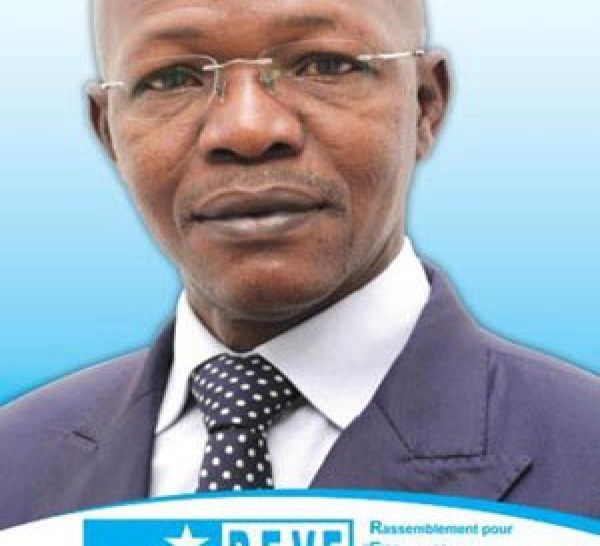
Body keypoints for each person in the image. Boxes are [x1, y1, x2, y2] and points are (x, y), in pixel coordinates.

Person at [1, 0, 599, 531]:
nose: (247, 129)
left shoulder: (584, 460)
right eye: (173, 78)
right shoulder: (14, 467)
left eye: (324, 65)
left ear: (424, 103)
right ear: (108, 132)